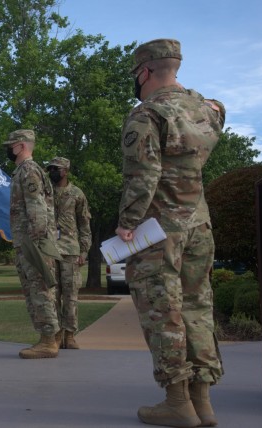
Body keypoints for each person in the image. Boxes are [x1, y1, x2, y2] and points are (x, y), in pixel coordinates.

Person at [116, 39, 225, 427]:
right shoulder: (206, 110)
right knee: (197, 308)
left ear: (144, 72)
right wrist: (211, 104)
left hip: (159, 229)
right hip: (199, 224)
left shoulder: (147, 114)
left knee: (164, 311)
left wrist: (127, 224)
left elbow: (143, 177)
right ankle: (203, 401)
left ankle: (177, 401)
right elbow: (218, 109)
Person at [4, 129, 62, 359]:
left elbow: (36, 207)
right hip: (27, 240)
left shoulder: (28, 170)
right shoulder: (23, 170)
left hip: (33, 241)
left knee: (40, 290)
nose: (9, 149)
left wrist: (35, 242)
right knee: (36, 290)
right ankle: (50, 336)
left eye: (11, 144)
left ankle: (48, 341)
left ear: (21, 145)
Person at [45, 157, 91, 349]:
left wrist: (85, 250)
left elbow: (84, 224)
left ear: (65, 171)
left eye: (55, 169)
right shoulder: (45, 193)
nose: (52, 172)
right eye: (50, 169)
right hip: (49, 251)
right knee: (52, 295)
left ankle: (70, 335)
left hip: (71, 251)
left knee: (71, 295)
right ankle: (56, 335)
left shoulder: (76, 194)